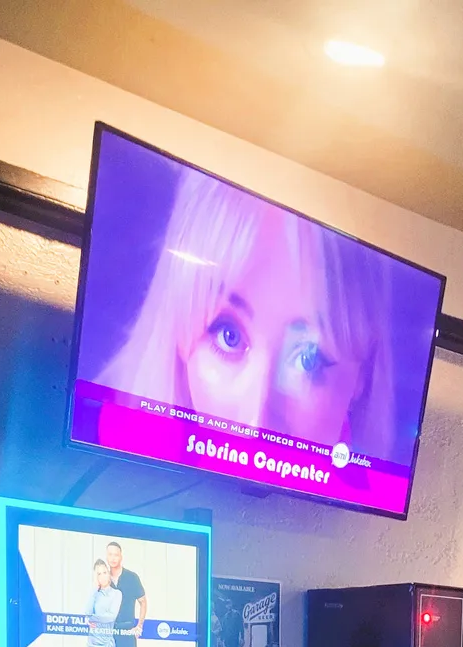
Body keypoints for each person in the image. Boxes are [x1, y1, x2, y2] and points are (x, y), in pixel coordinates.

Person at [98, 168, 397, 461]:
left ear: (362, 376)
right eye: (229, 335)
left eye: (309, 357)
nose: (256, 425)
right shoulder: (106, 454)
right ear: (178, 328)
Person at [105, 541, 146, 647]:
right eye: (110, 554)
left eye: (116, 555)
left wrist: (139, 625)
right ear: (107, 556)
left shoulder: (132, 577)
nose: (113, 558)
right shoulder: (103, 578)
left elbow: (143, 602)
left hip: (127, 631)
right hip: (108, 632)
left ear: (121, 557)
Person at [78, 558, 122, 647]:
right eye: (99, 574)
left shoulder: (116, 594)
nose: (103, 576)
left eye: (104, 572)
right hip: (92, 643)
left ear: (109, 573)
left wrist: (92, 618)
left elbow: (111, 617)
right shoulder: (94, 594)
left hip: (106, 644)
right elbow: (87, 613)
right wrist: (94, 590)